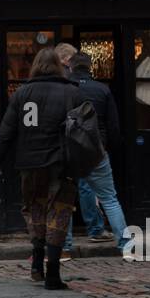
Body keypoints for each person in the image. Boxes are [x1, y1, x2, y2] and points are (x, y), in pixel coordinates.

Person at [0, 47, 81, 290]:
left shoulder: (22, 93)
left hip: (29, 164)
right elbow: (83, 131)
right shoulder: (71, 92)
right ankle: (53, 273)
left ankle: (37, 262)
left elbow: (6, 131)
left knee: (35, 209)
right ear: (58, 66)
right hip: (60, 163)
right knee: (59, 212)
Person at [68, 51, 132, 250]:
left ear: (70, 67)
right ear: (90, 67)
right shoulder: (102, 89)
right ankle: (125, 245)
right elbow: (113, 125)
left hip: (70, 149)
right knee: (110, 199)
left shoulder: (65, 89)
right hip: (96, 149)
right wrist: (108, 147)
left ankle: (65, 246)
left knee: (64, 200)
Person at [53, 43, 108, 255]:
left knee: (65, 191)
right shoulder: (73, 84)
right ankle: (94, 228)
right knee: (86, 187)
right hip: (82, 140)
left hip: (65, 142)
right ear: (67, 59)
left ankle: (65, 241)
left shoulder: (61, 82)